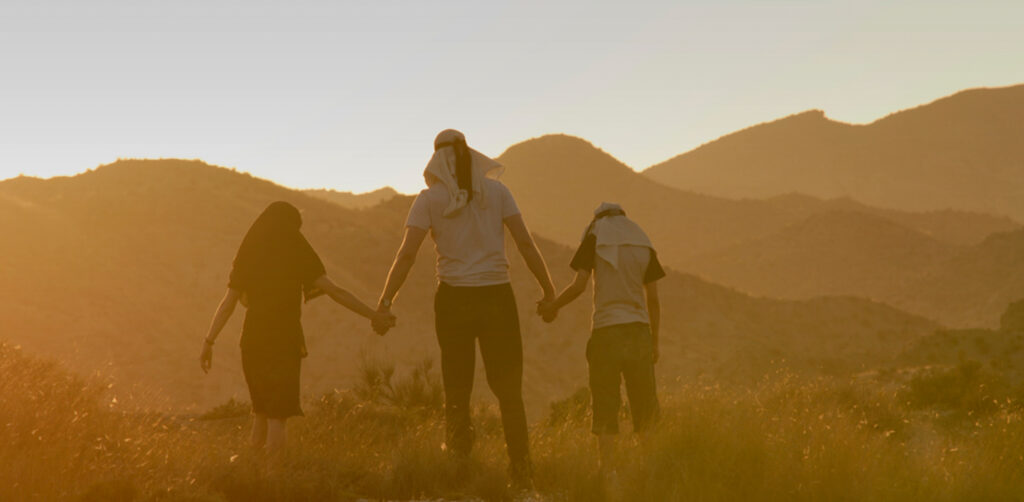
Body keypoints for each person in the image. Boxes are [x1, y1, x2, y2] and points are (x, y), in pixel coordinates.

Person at [376, 129, 555, 488]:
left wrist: (385, 302)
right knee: (509, 390)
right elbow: (525, 243)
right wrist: (548, 291)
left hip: (453, 300)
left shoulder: (429, 200)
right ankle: (521, 472)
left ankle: (458, 470)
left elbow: (406, 255)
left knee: (457, 388)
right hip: (497, 298)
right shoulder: (498, 193)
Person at [199, 201, 394, 456]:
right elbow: (334, 291)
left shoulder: (249, 251)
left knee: (261, 412)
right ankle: (274, 477)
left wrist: (209, 341)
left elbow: (228, 304)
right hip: (284, 341)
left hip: (252, 342)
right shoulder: (296, 246)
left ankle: (252, 474)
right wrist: (373, 315)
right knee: (277, 416)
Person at [538, 202, 665, 475]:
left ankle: (607, 471)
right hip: (639, 332)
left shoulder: (595, 236)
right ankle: (651, 470)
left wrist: (553, 306)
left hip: (606, 332)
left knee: (606, 403)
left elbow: (579, 286)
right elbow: (653, 300)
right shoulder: (642, 241)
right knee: (645, 405)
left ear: (597, 219)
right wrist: (654, 342)